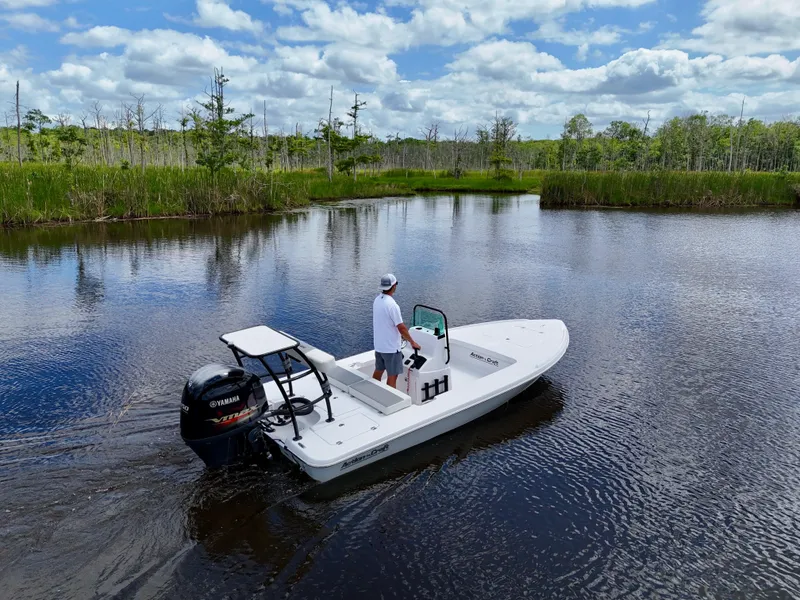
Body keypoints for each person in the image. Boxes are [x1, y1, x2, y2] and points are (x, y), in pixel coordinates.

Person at [372, 273, 420, 389]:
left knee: (378, 371)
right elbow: (401, 327)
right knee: (392, 376)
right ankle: (389, 402)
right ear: (393, 286)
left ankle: (373, 392)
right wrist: (413, 342)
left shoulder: (377, 300)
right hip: (391, 349)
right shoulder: (392, 305)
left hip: (379, 346)